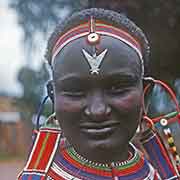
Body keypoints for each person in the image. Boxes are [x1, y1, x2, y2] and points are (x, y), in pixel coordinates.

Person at [18, 8, 179, 180]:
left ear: (145, 96)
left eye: (118, 87)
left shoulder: (156, 174)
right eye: (75, 91)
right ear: (53, 96)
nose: (98, 110)